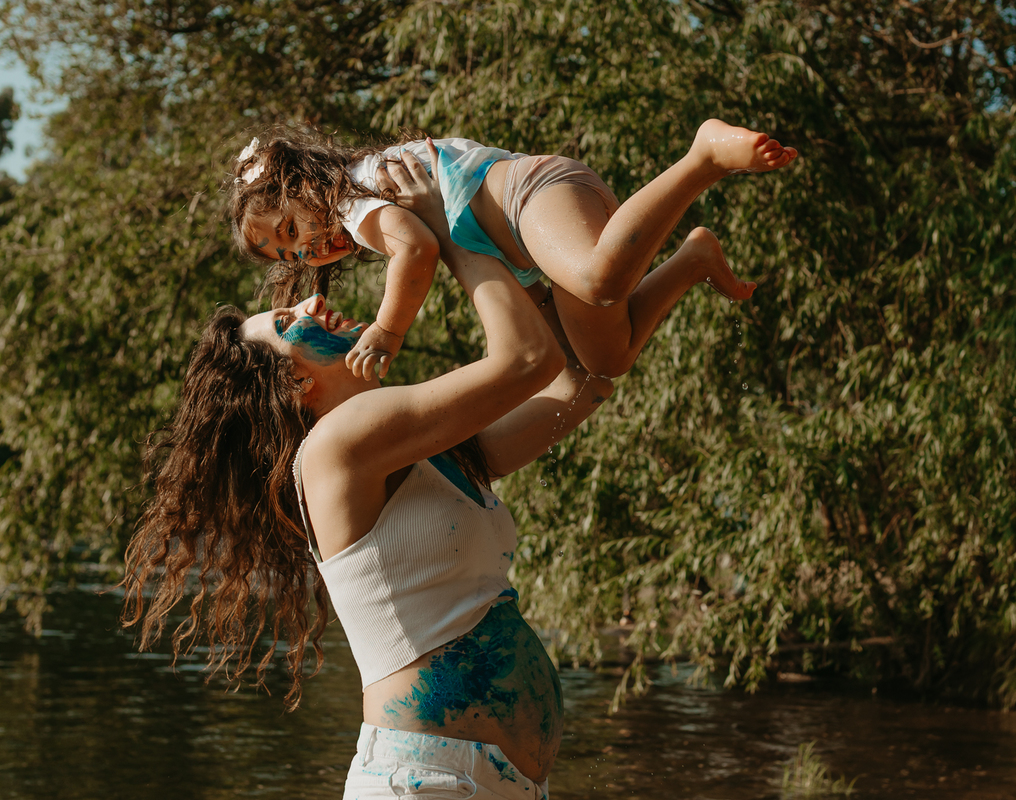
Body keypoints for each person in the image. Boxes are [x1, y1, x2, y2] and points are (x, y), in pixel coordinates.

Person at [123, 146, 621, 798]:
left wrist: (540, 261)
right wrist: (449, 227)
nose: (310, 302)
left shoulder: (424, 456)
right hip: (425, 780)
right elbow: (528, 360)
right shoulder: (334, 448)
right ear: (292, 383)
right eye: (288, 322)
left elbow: (581, 382)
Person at [227, 121, 796, 381]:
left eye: (289, 228)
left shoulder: (356, 196)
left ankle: (702, 158)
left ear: (303, 185)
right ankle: (694, 259)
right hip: (537, 236)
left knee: (599, 281)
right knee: (604, 360)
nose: (303, 249)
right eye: (290, 256)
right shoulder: (359, 201)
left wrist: (388, 330)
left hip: (534, 196)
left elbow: (417, 250)